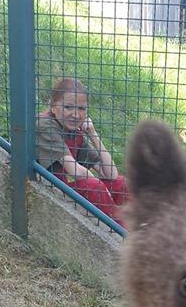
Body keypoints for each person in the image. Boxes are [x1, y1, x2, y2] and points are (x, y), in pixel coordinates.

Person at [36, 78, 129, 228]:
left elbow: (111, 174)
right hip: (45, 193)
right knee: (93, 186)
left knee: (120, 183)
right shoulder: (45, 125)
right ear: (53, 107)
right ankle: (124, 231)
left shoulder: (74, 131)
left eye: (81, 109)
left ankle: (128, 224)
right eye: (68, 107)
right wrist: (102, 189)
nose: (76, 115)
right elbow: (75, 171)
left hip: (63, 190)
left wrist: (93, 134)